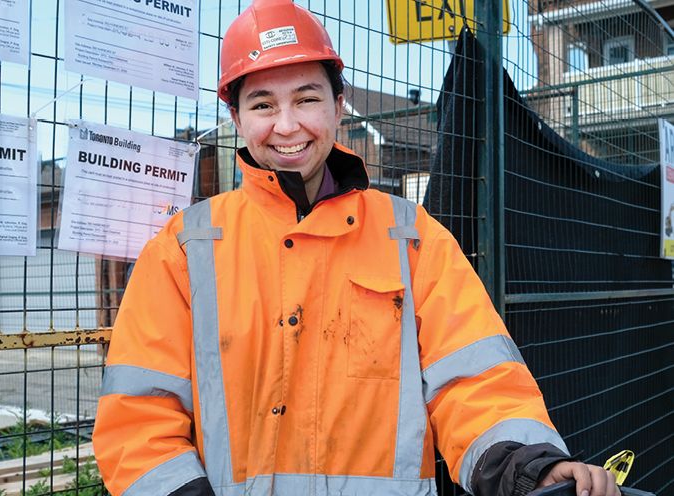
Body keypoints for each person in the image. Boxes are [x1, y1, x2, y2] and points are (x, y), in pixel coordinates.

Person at [92, 1, 621, 495]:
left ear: (339, 105)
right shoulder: (185, 249)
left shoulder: (412, 238)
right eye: (262, 104)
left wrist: (530, 465)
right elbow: (140, 420)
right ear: (237, 120)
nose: (286, 125)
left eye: (306, 98)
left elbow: (474, 380)